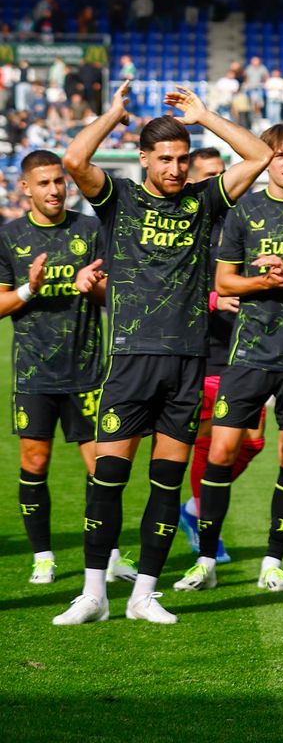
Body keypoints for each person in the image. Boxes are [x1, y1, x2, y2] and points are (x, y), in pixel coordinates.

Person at [52, 81, 272, 626]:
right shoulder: (119, 198)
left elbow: (260, 155)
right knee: (108, 477)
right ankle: (93, 594)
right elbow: (75, 158)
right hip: (130, 360)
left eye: (182, 159)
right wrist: (113, 114)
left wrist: (205, 114)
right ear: (144, 157)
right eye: (165, 159)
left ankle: (144, 594)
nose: (175, 169)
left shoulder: (204, 200)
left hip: (188, 362)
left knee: (167, 484)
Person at [173, 124, 283, 594]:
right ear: (266, 159)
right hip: (248, 354)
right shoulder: (244, 212)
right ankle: (206, 560)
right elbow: (225, 283)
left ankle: (273, 561)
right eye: (279, 154)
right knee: (222, 451)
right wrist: (265, 283)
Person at [0, 151, 124, 584]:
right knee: (35, 463)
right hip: (34, 375)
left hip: (88, 371)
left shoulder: (90, 230)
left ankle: (107, 555)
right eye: (45, 183)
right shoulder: (9, 237)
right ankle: (43, 557)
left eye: (59, 182)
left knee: (102, 469)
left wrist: (91, 287)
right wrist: (29, 289)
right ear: (25, 188)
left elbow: (115, 297)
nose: (54, 190)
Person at [177, 148, 268, 565]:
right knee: (211, 442)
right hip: (206, 350)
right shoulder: (188, 224)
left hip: (249, 346)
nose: (219, 182)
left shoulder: (245, 220)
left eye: (223, 174)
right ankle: (204, 522)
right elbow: (168, 286)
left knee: (252, 441)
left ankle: (195, 509)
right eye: (209, 175)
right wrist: (214, 298)